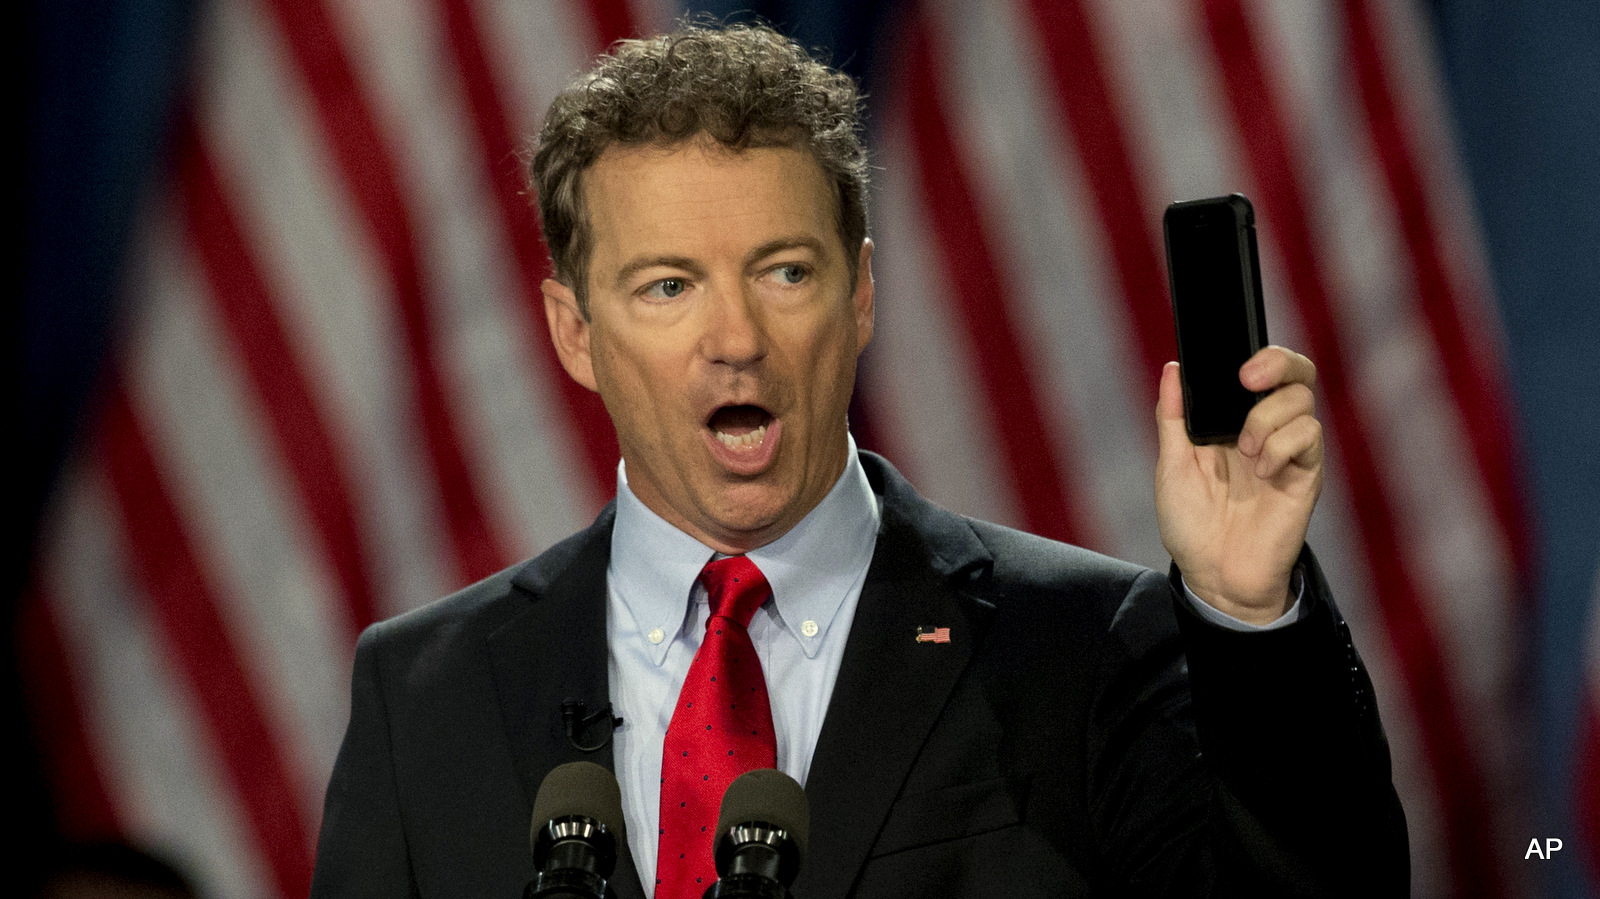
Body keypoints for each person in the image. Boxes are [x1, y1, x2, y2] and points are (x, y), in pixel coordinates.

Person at [310, 22, 1408, 899]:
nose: (734, 337)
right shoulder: (426, 696)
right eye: (668, 286)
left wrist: (1246, 611)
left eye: (784, 271)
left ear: (861, 292)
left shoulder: (1078, 649)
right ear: (574, 332)